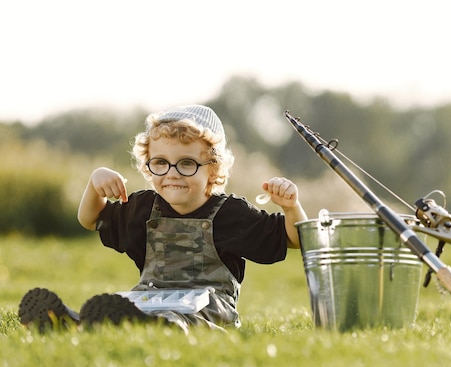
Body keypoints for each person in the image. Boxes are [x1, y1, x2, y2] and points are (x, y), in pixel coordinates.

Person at [18, 104, 308, 332]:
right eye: (160, 163)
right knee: (129, 307)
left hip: (208, 306)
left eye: (186, 163)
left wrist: (291, 207)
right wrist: (95, 183)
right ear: (149, 165)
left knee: (188, 318)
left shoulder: (232, 214)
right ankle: (72, 320)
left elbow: (294, 238)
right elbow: (91, 219)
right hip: (150, 298)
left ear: (213, 169)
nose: (172, 173)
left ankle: (160, 327)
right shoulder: (143, 208)